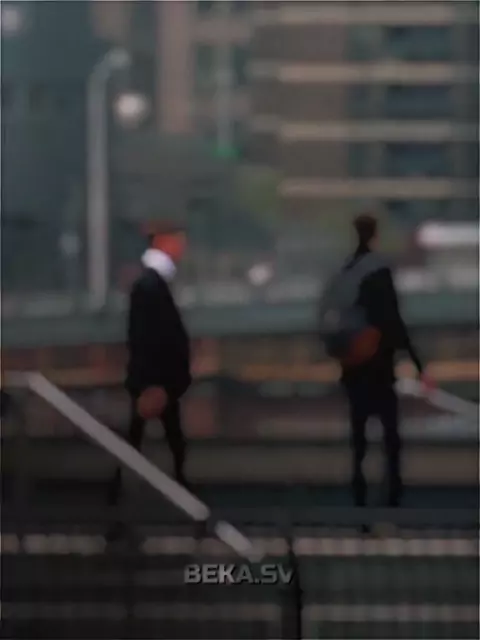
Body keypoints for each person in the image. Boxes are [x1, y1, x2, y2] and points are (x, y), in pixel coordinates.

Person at [328, 214, 431, 510]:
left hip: (353, 366)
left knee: (359, 438)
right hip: (380, 367)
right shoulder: (379, 271)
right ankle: (392, 498)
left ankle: (359, 500)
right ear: (375, 234)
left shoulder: (346, 270)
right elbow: (393, 320)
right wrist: (417, 363)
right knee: (390, 437)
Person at [107, 222, 192, 518]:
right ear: (163, 243)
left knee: (153, 442)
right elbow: (145, 338)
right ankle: (117, 506)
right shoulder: (150, 286)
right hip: (156, 382)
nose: (182, 247)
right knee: (148, 443)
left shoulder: (153, 283)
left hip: (160, 381)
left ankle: (118, 506)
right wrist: (151, 383)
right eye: (177, 241)